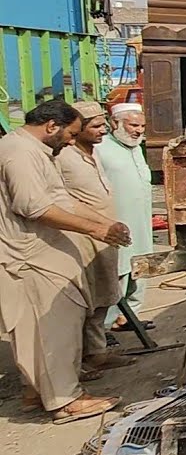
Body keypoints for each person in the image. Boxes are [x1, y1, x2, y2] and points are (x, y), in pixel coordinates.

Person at [0, 100, 130, 422]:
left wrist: (105, 224)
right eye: (70, 134)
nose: (72, 141)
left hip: (43, 253)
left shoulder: (37, 152)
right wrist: (97, 229)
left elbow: (60, 199)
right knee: (51, 328)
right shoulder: (19, 153)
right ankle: (64, 401)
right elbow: (35, 207)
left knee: (47, 328)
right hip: (28, 257)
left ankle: (37, 392)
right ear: (51, 126)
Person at [56, 101, 135, 373]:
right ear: (77, 130)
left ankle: (97, 353)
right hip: (81, 237)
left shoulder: (95, 153)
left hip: (105, 235)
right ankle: (74, 363)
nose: (104, 131)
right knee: (83, 301)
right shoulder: (63, 157)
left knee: (104, 294)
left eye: (104, 124)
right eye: (96, 126)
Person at [98, 103, 154, 332]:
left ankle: (129, 317)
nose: (138, 130)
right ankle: (104, 326)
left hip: (140, 220)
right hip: (116, 221)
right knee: (117, 272)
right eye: (133, 125)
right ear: (115, 124)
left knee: (139, 269)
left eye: (142, 126)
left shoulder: (136, 147)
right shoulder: (100, 148)